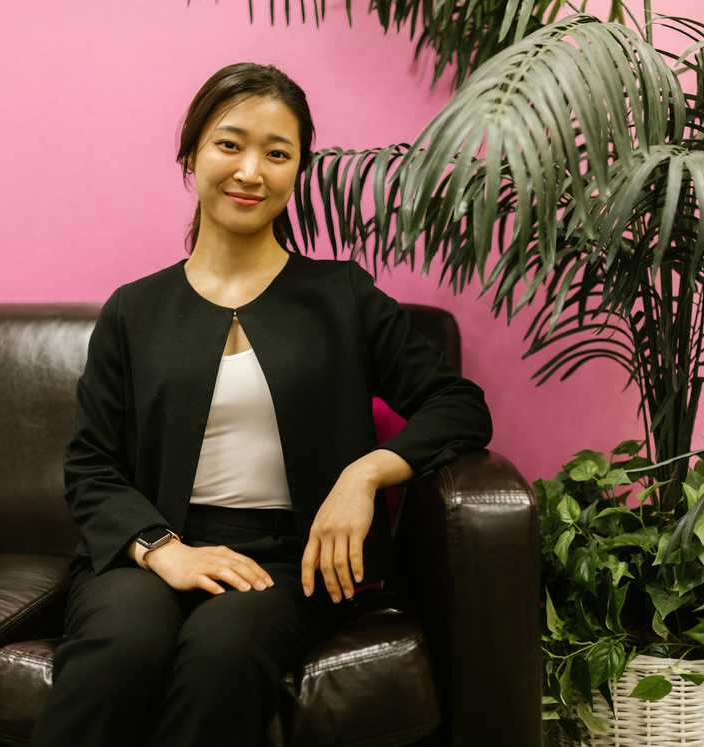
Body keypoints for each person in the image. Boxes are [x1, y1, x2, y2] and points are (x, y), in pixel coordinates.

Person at [29, 62, 494, 747]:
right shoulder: (135, 309)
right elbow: (91, 465)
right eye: (230, 144)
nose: (251, 171)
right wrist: (166, 550)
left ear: (297, 170)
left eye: (277, 154)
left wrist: (365, 474)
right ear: (191, 152)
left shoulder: (341, 297)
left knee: (221, 655)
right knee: (120, 647)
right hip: (154, 547)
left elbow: (458, 405)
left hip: (287, 559)